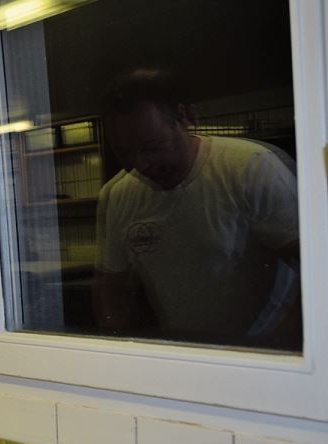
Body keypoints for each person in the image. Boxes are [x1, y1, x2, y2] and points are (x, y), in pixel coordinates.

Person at [93, 68, 301, 350]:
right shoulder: (119, 195)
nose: (140, 164)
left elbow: (316, 271)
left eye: (152, 147)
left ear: (185, 118)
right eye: (125, 152)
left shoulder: (251, 167)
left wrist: (275, 346)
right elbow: (113, 292)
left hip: (265, 351)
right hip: (185, 354)